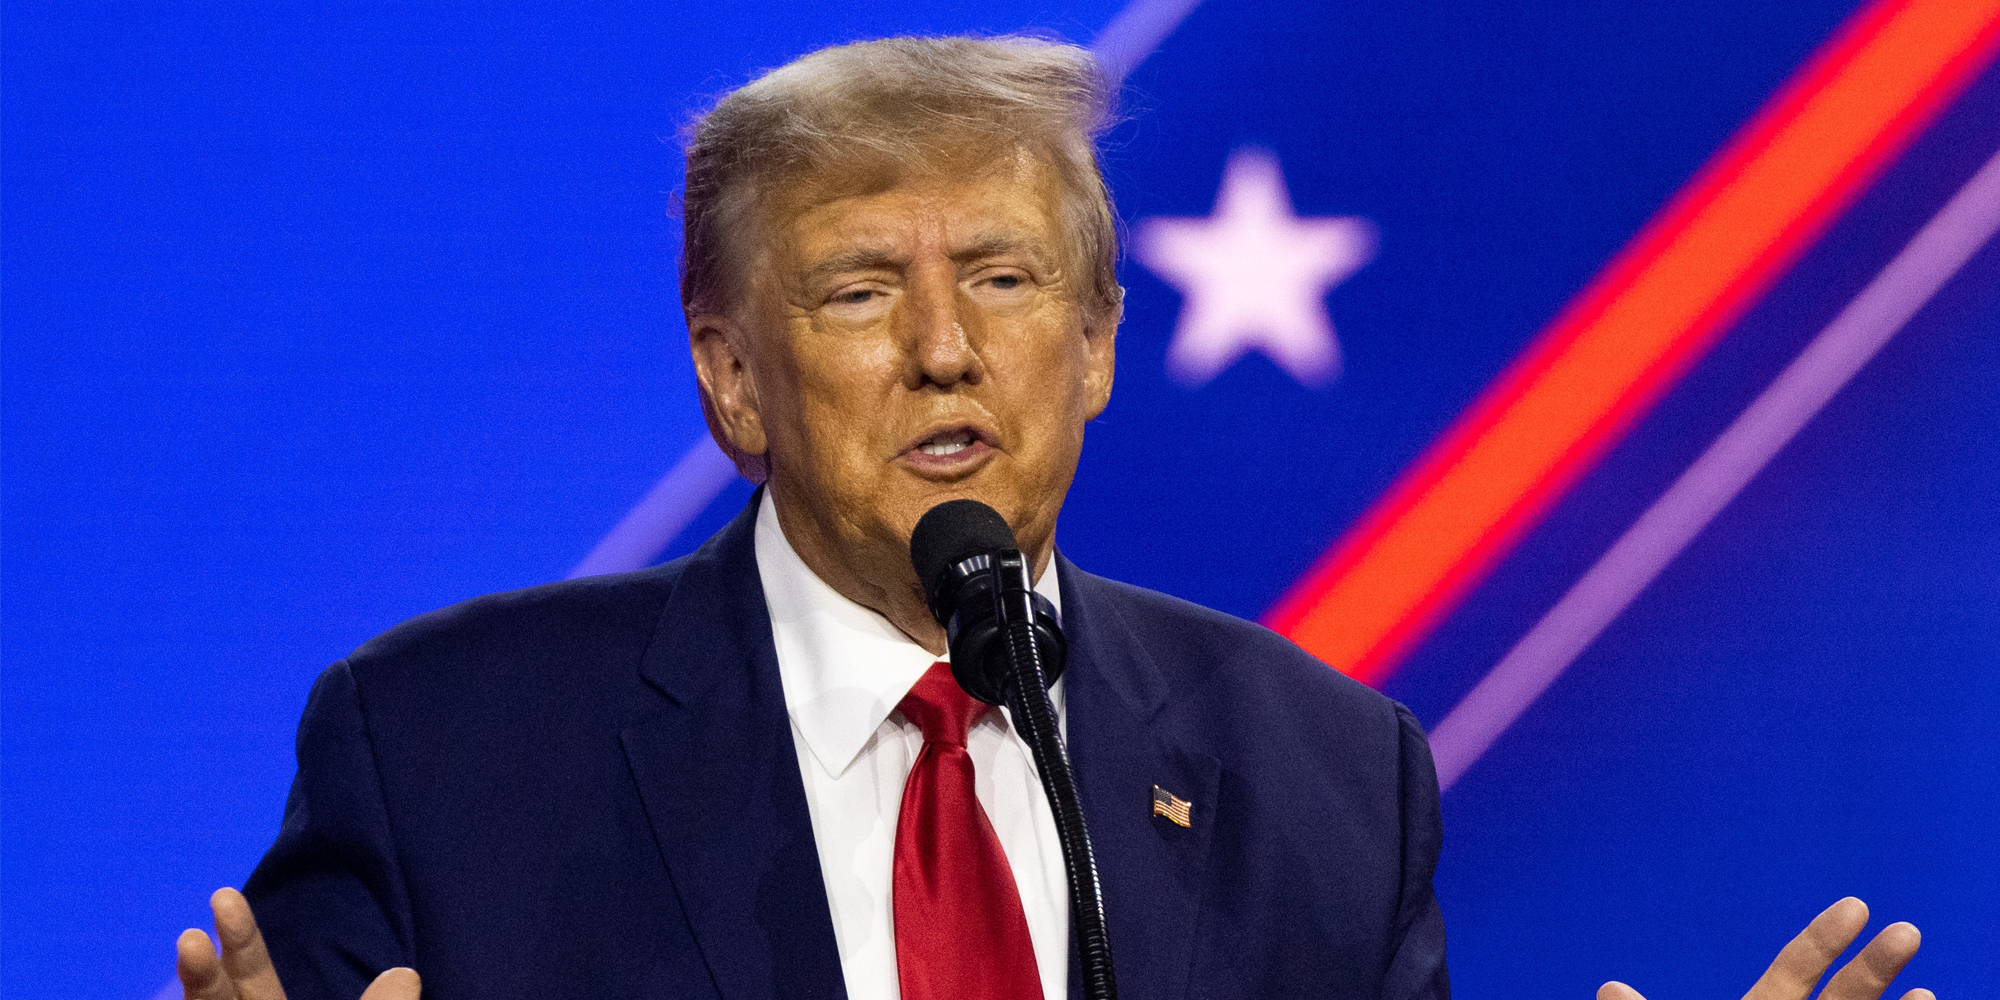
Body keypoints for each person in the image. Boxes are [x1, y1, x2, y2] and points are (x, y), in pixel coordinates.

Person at [174, 35, 1932, 1000]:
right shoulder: (448, 751)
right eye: (862, 291)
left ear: (1094, 346)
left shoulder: (1327, 774)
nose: (946, 349)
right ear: (732, 381)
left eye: (1006, 281)